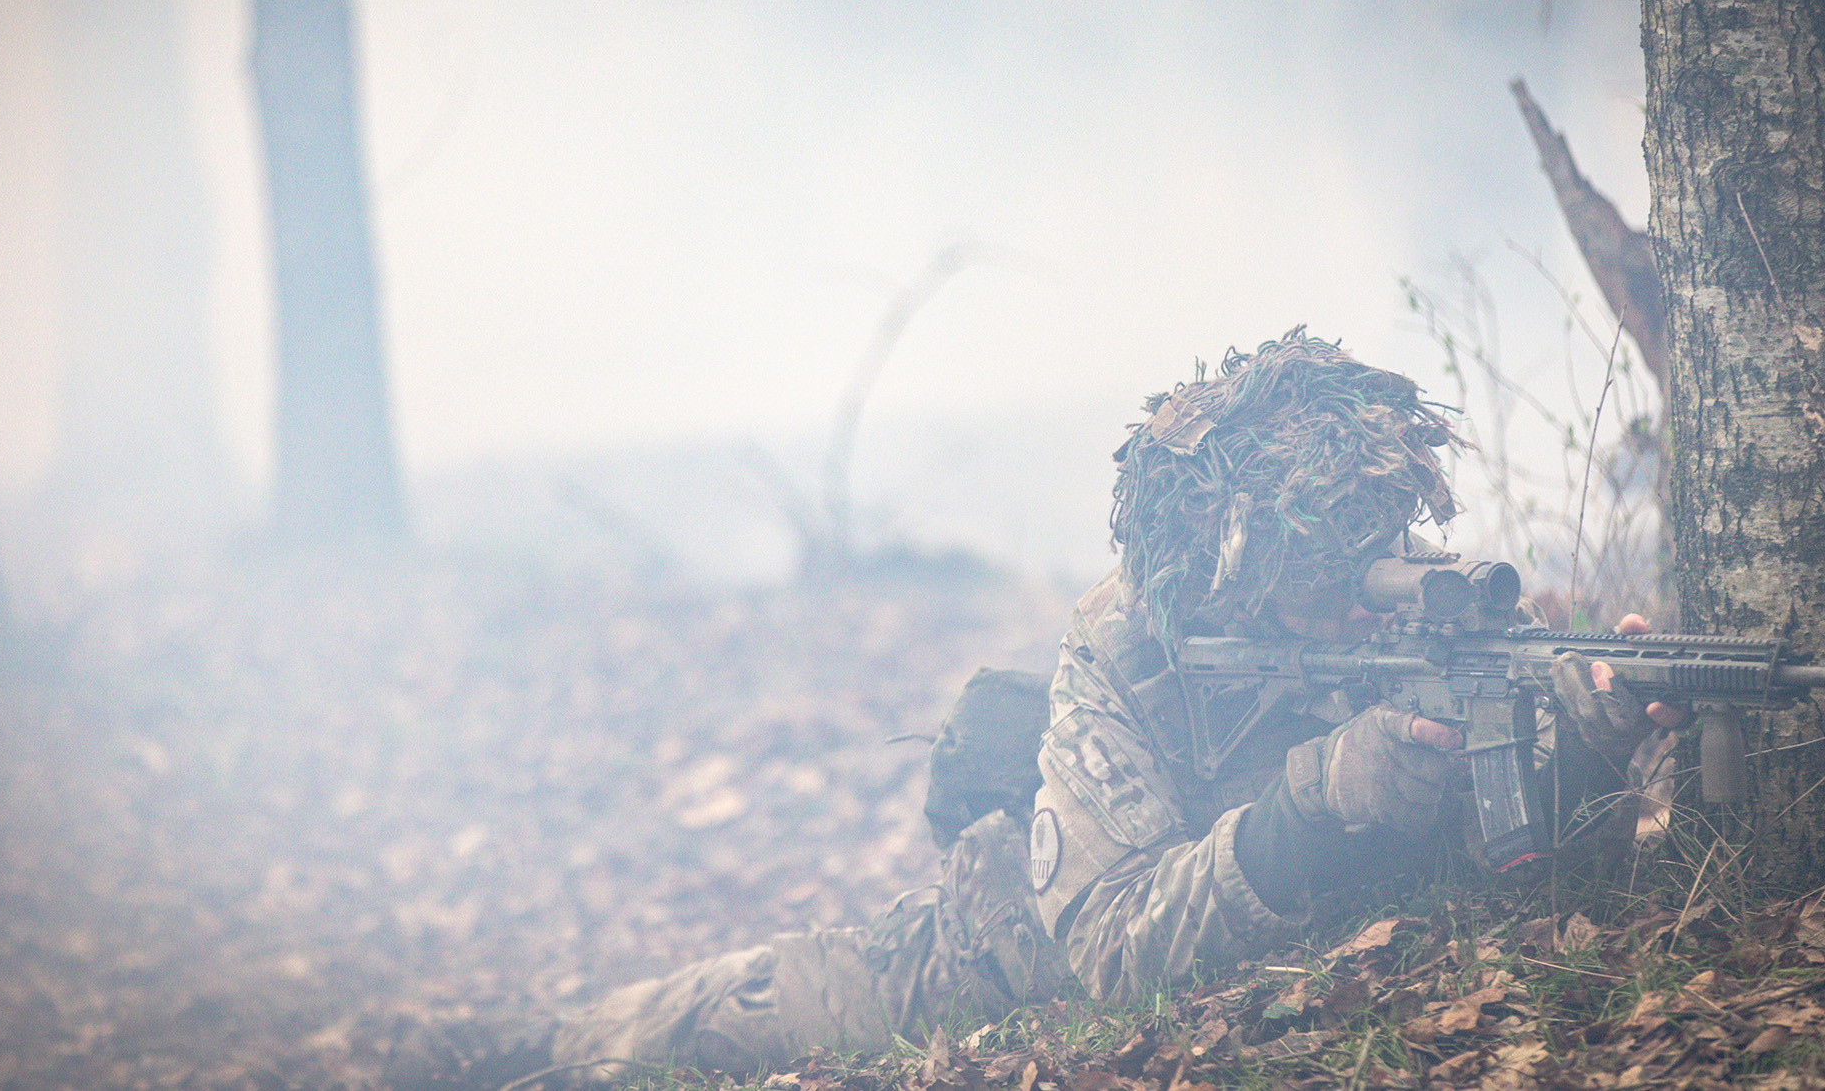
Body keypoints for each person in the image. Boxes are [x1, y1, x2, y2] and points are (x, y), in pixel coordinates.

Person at [392, 330, 1680, 1089]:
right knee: (726, 1018)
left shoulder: (1424, 611)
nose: (1360, 602)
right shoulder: (1127, 646)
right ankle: (505, 1046)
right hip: (1003, 943)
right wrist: (1311, 800)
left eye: (1375, 553)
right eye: (1318, 581)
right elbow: (1108, 949)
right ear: (1235, 571)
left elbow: (1528, 863)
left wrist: (1591, 738)